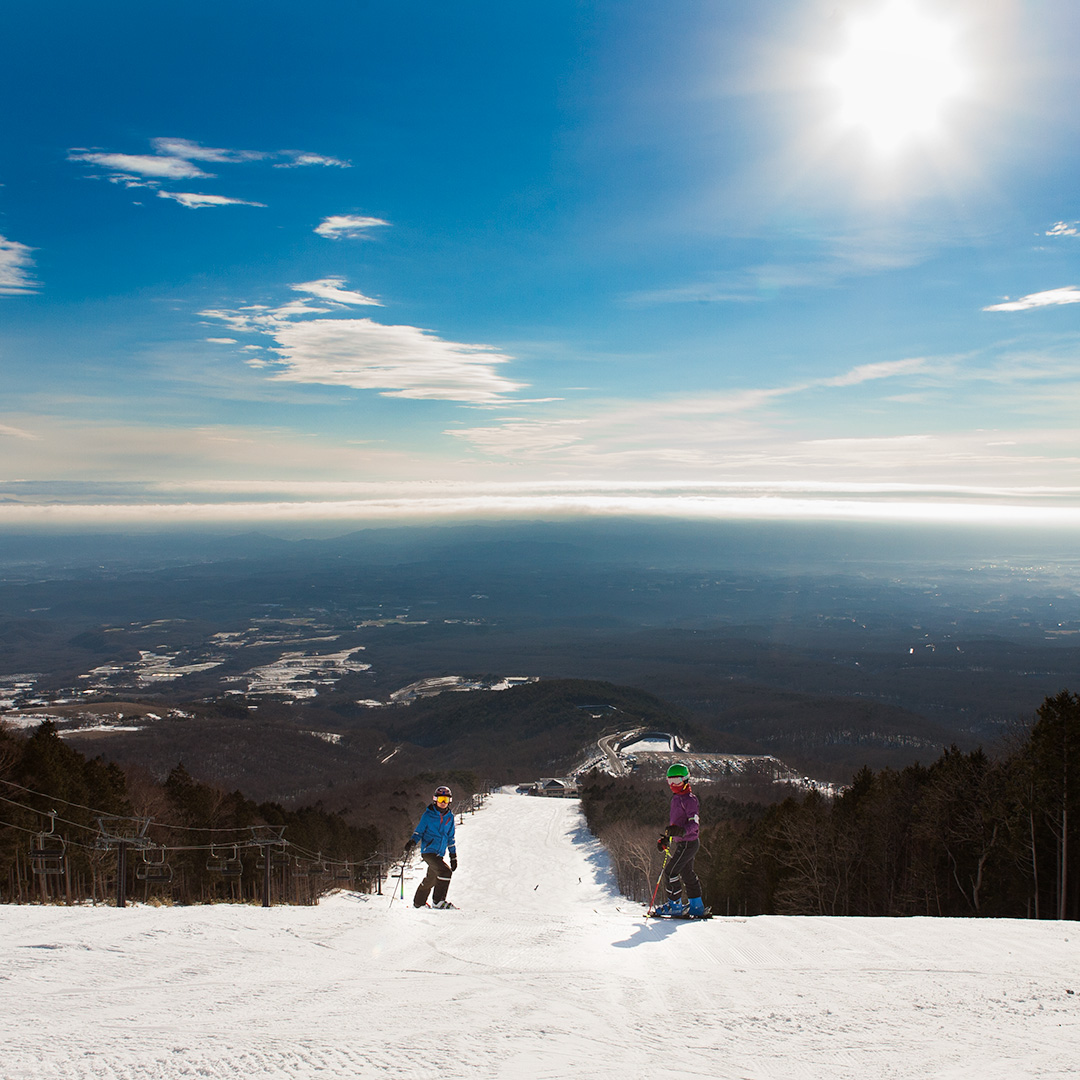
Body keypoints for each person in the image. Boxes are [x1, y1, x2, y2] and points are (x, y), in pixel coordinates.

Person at [655, 762, 707, 917]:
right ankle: (696, 906)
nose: (673, 785)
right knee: (687, 872)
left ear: (685, 780)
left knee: (671, 872)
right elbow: (676, 825)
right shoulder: (676, 798)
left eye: (676, 781)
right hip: (684, 842)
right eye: (670, 781)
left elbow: (694, 824)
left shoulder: (690, 799)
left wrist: (681, 831)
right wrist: (667, 838)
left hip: (688, 843)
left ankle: (675, 905)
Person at [404, 785, 458, 908]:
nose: (443, 803)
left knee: (432, 879)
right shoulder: (428, 816)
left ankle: (418, 903)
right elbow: (419, 832)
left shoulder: (450, 817)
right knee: (445, 872)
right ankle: (438, 901)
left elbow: (451, 838)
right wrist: (412, 841)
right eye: (440, 799)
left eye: (446, 799)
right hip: (428, 851)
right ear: (435, 800)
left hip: (439, 853)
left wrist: (453, 856)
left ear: (450, 801)